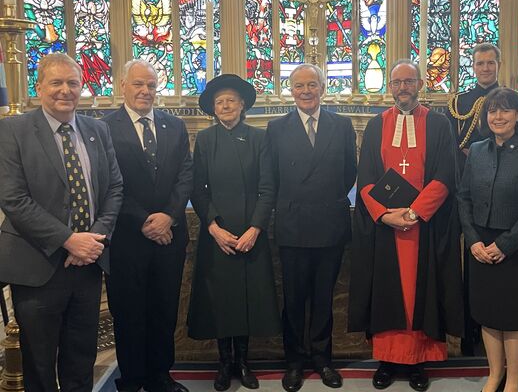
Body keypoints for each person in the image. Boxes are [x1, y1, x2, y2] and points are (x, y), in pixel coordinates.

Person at [0, 52, 123, 392]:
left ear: (82, 87)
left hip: (88, 263)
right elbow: (13, 198)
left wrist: (94, 238)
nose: (65, 90)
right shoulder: (12, 130)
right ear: (39, 87)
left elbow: (114, 187)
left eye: (73, 83)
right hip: (38, 264)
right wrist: (69, 239)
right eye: (56, 82)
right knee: (39, 361)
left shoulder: (97, 129)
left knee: (80, 355)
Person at [348, 59, 463, 391]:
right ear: (390, 87)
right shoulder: (376, 125)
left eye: (409, 82)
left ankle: (419, 361)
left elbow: (445, 176)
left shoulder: (439, 125)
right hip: (387, 229)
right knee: (388, 293)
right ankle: (387, 359)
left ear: (421, 85)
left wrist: (414, 213)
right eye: (397, 82)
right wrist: (385, 215)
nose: (403, 88)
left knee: (421, 294)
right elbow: (366, 177)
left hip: (424, 226)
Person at [103, 60, 193, 392]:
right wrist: (143, 220)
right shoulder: (103, 127)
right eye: (138, 84)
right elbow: (107, 182)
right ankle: (132, 378)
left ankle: (160, 375)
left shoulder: (174, 125)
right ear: (122, 85)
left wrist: (169, 216)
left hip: (169, 237)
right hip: (127, 238)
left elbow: (186, 174)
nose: (145, 91)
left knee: (163, 308)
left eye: (151, 85)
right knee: (128, 312)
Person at [266, 64, 357, 392]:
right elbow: (271, 178)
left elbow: (350, 171)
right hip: (293, 225)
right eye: (299, 85)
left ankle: (322, 358)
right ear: (291, 90)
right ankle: (294, 361)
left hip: (330, 224)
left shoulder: (342, 126)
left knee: (323, 298)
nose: (306, 91)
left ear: (323, 88)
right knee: (294, 299)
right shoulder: (276, 129)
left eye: (312, 85)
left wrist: (327, 198)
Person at [188, 74, 280, 391]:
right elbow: (197, 190)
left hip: (250, 233)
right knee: (221, 301)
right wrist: (213, 227)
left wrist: (255, 228)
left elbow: (268, 188)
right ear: (213, 109)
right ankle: (224, 363)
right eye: (219, 102)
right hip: (219, 236)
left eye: (231, 100)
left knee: (247, 300)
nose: (225, 105)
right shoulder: (204, 140)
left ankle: (244, 360)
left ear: (242, 105)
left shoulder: (259, 138)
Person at [458, 87, 518, 392]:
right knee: (487, 314)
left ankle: (512, 379)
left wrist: (505, 245)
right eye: (492, 111)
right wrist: (472, 241)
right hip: (481, 244)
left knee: (513, 317)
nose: (498, 116)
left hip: (516, 246)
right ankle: (495, 373)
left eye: (505, 110)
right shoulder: (478, 150)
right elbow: (464, 197)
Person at [446, 42, 501, 356]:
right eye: (480, 63)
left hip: (497, 192)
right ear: (473, 66)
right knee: (464, 259)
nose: (485, 68)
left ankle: (491, 322)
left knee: (490, 260)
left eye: (490, 63)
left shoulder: (507, 99)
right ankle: (466, 327)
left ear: (498, 65)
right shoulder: (459, 101)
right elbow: (452, 147)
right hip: (464, 190)